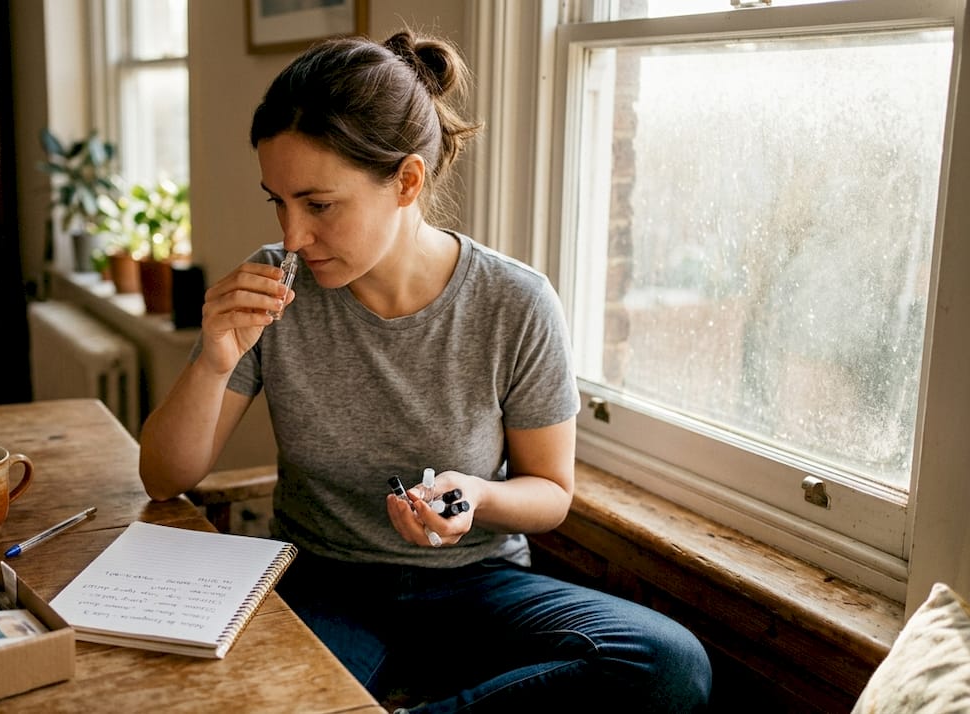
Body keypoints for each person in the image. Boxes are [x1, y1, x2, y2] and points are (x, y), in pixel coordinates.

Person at [139, 28, 712, 713]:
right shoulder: (273, 287)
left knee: (670, 666)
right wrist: (214, 360)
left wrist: (477, 495)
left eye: (319, 204)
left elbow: (551, 491)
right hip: (324, 583)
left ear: (407, 181)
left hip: (478, 587)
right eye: (278, 201)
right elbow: (163, 476)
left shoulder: (514, 302)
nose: (292, 236)